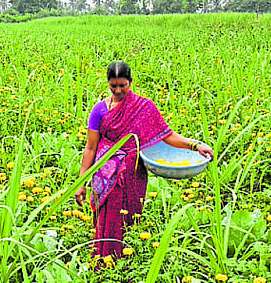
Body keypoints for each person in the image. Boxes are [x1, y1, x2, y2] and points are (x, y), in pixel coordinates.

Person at [74, 61, 214, 265]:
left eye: (123, 85)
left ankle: (125, 264)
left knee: (129, 218)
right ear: (108, 84)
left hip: (132, 173)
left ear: (131, 82)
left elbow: (167, 135)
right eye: (113, 86)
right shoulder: (99, 111)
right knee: (107, 219)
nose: (118, 90)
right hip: (105, 175)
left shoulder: (144, 107)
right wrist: (81, 182)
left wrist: (194, 145)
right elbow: (90, 148)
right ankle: (103, 263)